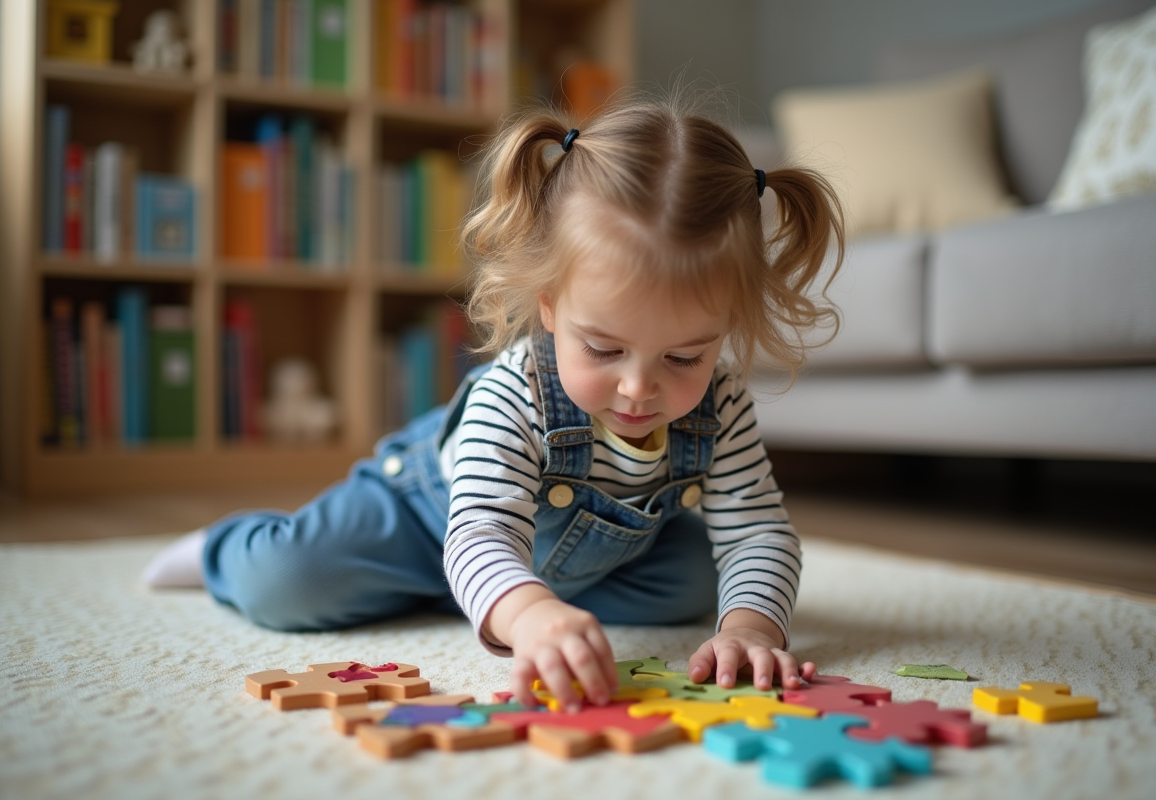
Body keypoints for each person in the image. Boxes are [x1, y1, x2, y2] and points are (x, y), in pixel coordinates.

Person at [142, 91, 844, 712]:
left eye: (685, 357)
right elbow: (478, 528)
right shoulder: (516, 394)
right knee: (288, 583)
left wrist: (750, 628)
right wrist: (536, 618)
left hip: (587, 557)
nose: (638, 387)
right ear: (549, 306)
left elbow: (756, 531)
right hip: (428, 516)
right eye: (603, 349)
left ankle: (498, 596)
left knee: (699, 579)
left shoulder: (721, 403)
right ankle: (221, 548)